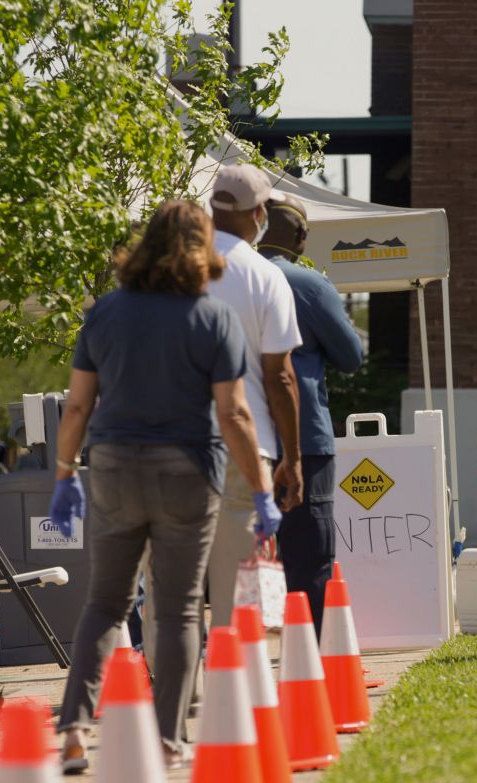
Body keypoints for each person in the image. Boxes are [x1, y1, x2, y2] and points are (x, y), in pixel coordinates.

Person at [46, 200, 279, 773]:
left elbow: (77, 404)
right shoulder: (213, 318)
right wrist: (263, 488)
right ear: (202, 250)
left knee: (104, 603)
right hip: (187, 472)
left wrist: (64, 473)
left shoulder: (103, 313)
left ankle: (74, 730)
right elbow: (235, 416)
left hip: (114, 468)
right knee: (177, 612)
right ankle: (169, 741)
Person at [258, 194, 364, 633]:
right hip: (304, 437)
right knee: (310, 559)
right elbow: (351, 354)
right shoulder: (308, 284)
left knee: (228, 564)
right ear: (301, 236)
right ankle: (317, 662)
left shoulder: (227, 277)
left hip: (233, 434)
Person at [204, 163, 305, 629]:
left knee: (173, 592)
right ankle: (234, 694)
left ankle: (172, 691)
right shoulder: (263, 276)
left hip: (170, 443)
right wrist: (293, 457)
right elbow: (279, 378)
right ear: (258, 213)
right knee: (235, 591)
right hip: (245, 447)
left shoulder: (171, 270)